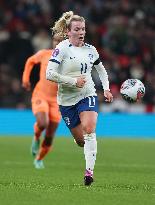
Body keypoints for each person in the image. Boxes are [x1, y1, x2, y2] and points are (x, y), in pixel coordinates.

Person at [46, 11, 113, 185]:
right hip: (66, 101)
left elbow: (101, 70)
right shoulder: (61, 48)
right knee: (81, 140)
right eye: (77, 29)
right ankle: (84, 146)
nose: (81, 32)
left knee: (89, 129)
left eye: (83, 29)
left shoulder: (91, 50)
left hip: (87, 94)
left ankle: (89, 173)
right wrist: (73, 81)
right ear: (68, 32)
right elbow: (49, 74)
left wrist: (106, 89)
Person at [22, 34, 63, 169]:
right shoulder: (45, 54)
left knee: (50, 135)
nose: (57, 43)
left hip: (57, 101)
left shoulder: (70, 61)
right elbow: (30, 61)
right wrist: (25, 79)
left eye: (60, 41)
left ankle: (39, 159)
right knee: (43, 122)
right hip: (41, 95)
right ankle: (36, 137)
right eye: (55, 40)